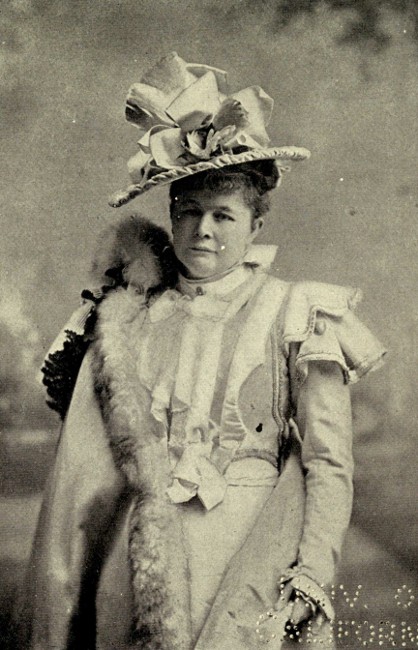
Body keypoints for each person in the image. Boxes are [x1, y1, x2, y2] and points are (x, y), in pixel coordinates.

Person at [17, 52, 386, 650]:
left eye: (223, 216)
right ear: (171, 216)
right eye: (188, 213)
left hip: (253, 553)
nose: (203, 231)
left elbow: (329, 461)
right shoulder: (135, 317)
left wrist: (313, 569)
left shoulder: (294, 312)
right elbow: (89, 466)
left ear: (256, 225)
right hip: (145, 556)